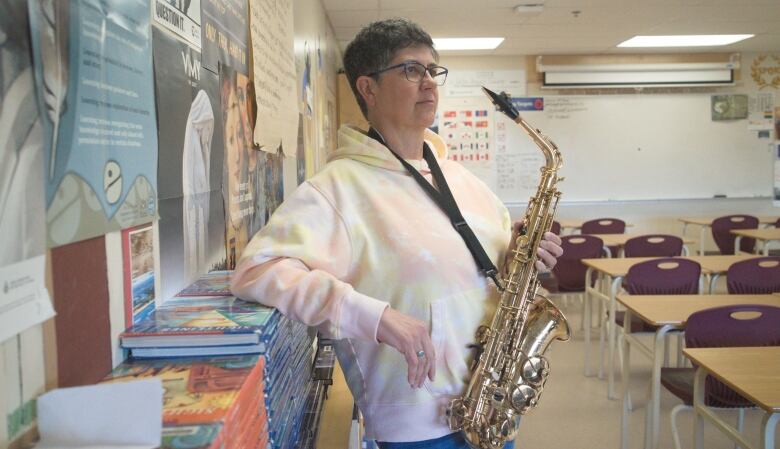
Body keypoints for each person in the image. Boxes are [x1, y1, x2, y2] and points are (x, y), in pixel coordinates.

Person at [231, 18, 563, 448]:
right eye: (410, 70)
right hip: (418, 427)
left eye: (432, 70)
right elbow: (257, 270)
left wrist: (519, 249)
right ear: (368, 88)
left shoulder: (462, 177)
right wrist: (374, 316)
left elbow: (487, 262)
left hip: (493, 408)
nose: (429, 83)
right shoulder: (336, 188)